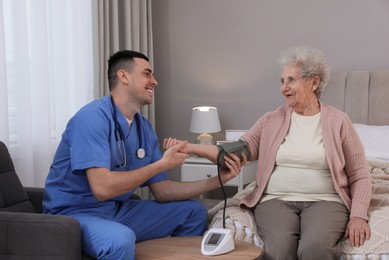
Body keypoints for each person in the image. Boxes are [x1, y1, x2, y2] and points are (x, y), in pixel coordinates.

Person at [166, 46, 372, 259]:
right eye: (282, 81)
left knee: (314, 249)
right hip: (275, 200)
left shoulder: (339, 121)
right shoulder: (271, 120)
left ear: (314, 82)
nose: (284, 88)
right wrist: (191, 147)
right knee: (278, 251)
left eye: (291, 80)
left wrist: (358, 215)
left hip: (326, 201)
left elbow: (360, 175)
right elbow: (235, 151)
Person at [42, 50, 245, 260]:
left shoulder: (143, 128)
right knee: (120, 240)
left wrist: (218, 180)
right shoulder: (91, 119)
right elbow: (102, 188)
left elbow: (163, 192)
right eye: (147, 74)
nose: (154, 82)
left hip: (116, 210)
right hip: (75, 215)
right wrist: (162, 165)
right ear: (124, 76)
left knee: (194, 212)